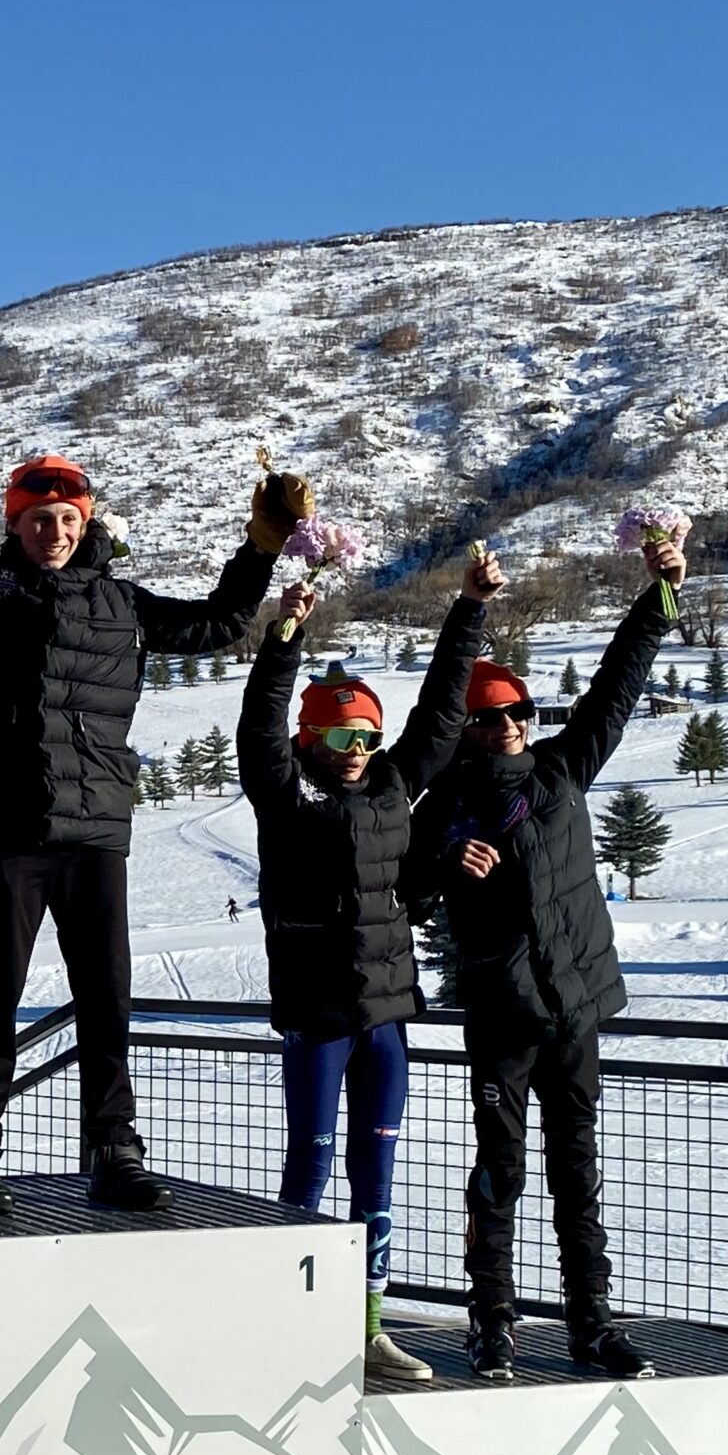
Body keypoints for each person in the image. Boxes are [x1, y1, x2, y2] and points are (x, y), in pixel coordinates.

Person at [0, 457, 298, 1214]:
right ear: (13, 525)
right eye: (37, 520)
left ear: (86, 522)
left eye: (67, 519)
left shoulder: (120, 602)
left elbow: (220, 623)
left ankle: (114, 1147)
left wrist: (261, 548)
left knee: (106, 994)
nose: (53, 532)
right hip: (12, 826)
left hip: (97, 826)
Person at [403, 538, 689, 1381]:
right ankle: (492, 1324)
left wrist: (659, 597)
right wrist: (445, 867)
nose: (512, 726)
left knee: (578, 1176)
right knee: (500, 1174)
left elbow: (616, 687)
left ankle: (591, 1327)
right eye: (493, 717)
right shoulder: (443, 807)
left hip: (578, 1013)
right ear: (468, 730)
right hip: (505, 1017)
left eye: (520, 711)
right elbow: (404, 890)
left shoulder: (563, 773)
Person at [241, 550, 496, 1380]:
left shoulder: (393, 783)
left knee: (375, 1177)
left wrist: (467, 612)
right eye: (340, 735)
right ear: (311, 738)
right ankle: (283, 1325)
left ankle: (366, 1325)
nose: (358, 748)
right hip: (318, 1014)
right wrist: (284, 639)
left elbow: (441, 716)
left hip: (387, 1015)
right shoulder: (284, 790)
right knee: (309, 1166)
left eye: (367, 734)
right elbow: (258, 725)